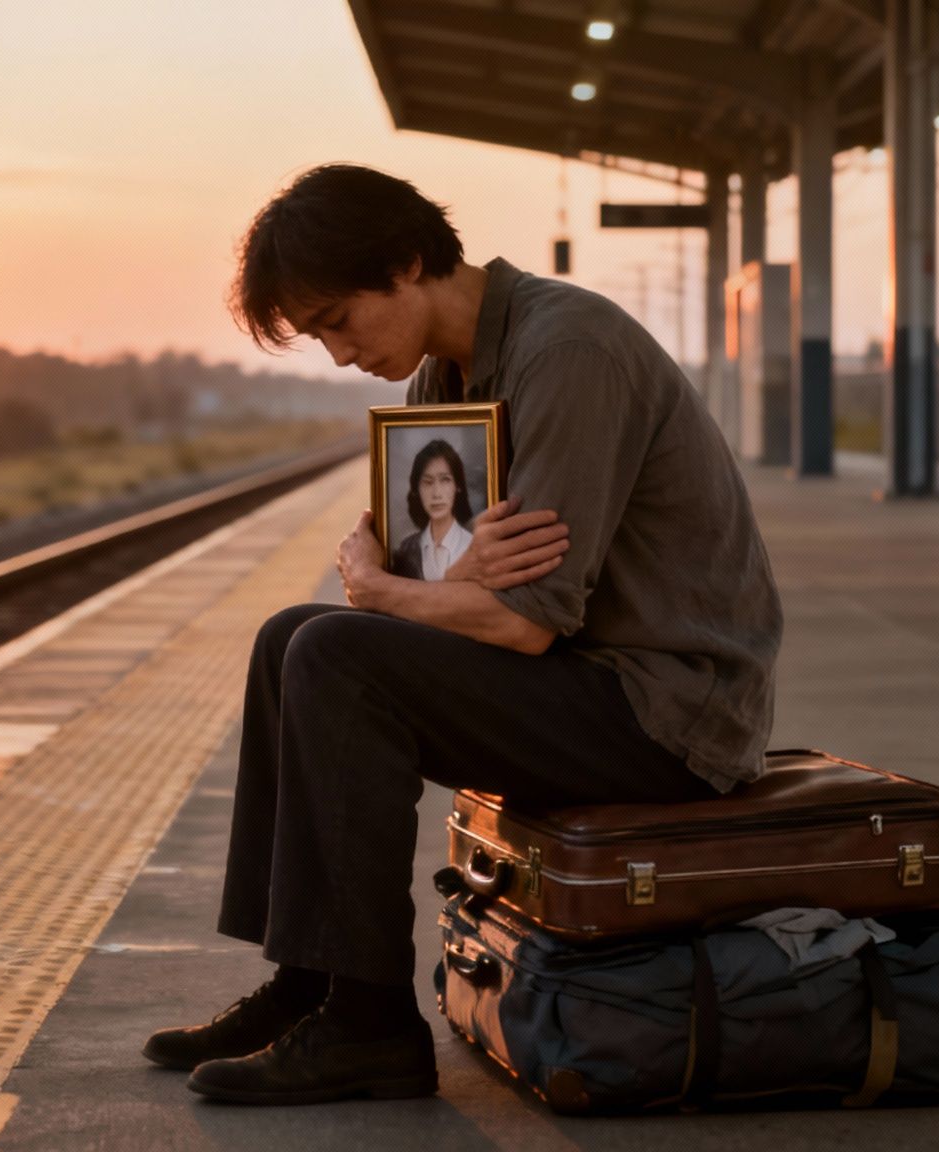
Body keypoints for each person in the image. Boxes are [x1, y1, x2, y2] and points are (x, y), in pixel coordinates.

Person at [142, 164, 783, 1104]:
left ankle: (368, 1028)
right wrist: (419, 587)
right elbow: (447, 586)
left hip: (667, 712)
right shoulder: (448, 372)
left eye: (337, 320)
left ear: (406, 264)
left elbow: (520, 625)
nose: (335, 352)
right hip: (584, 679)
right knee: (292, 638)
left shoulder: (568, 352)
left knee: (336, 648)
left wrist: (376, 588)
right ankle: (309, 985)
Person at [388, 439, 474, 580]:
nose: (436, 494)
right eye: (428, 482)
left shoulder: (473, 546)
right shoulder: (406, 550)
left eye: (445, 480)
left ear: (458, 485)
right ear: (417, 489)